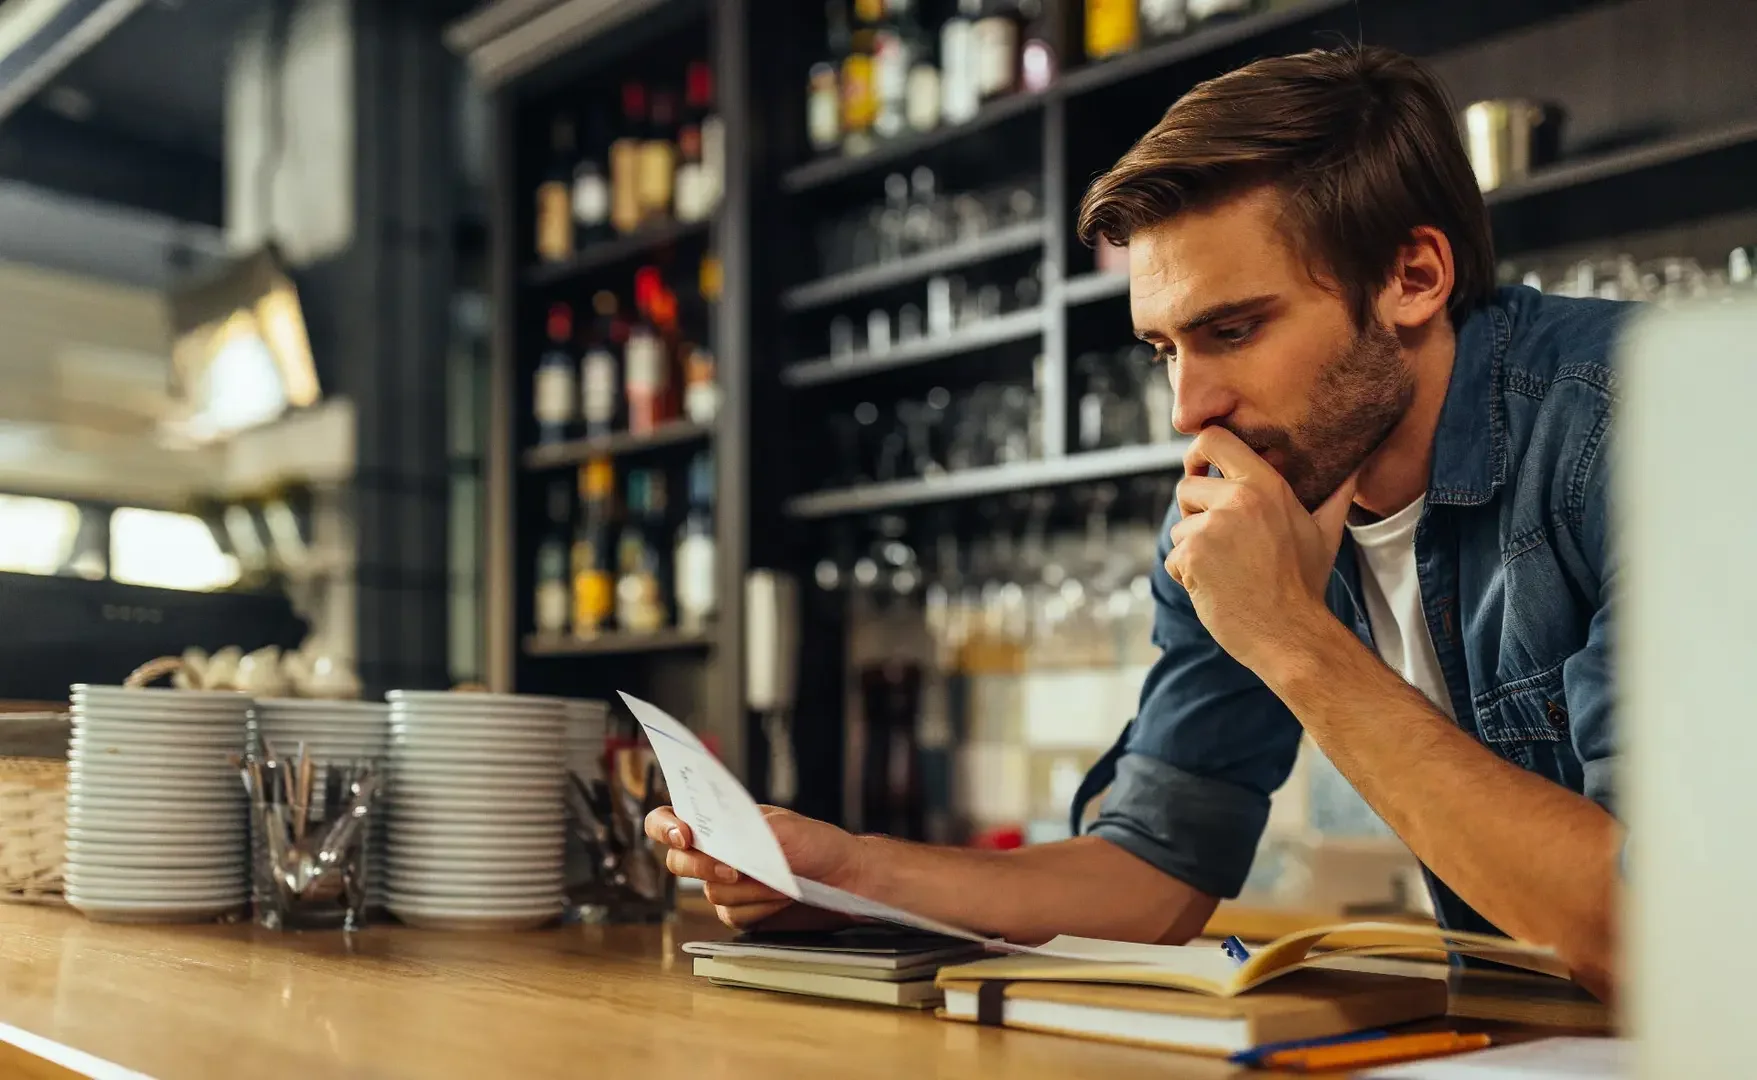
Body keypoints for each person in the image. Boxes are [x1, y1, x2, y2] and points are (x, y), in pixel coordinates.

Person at [647, 45, 1625, 1002]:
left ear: (1412, 276)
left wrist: (1286, 634)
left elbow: (1657, 927)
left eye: (1232, 331)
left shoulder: (1637, 426)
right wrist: (839, 872)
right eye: (1162, 349)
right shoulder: (1245, 490)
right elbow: (1150, 872)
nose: (1185, 410)